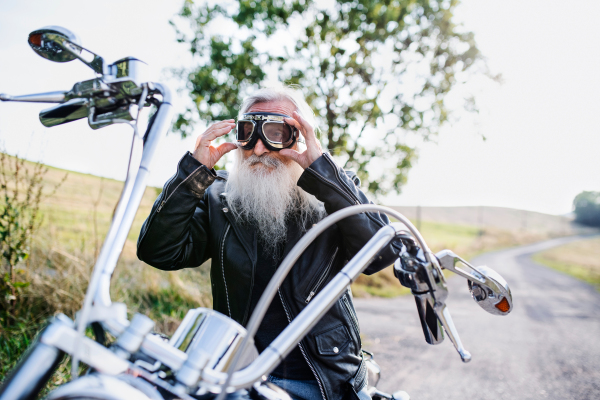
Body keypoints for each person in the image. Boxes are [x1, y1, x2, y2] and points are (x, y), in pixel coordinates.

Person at [137, 85, 400, 400]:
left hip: (320, 379)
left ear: (298, 137)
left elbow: (381, 254)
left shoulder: (331, 194)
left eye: (275, 133)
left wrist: (323, 169)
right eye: (248, 132)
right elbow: (159, 251)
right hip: (239, 373)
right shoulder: (218, 198)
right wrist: (193, 172)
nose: (259, 148)